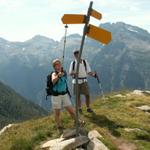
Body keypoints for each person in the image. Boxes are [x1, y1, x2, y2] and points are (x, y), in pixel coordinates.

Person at [51, 59, 76, 132]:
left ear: (61, 65)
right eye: (56, 65)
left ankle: (77, 121)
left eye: (59, 64)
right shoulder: (53, 74)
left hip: (64, 94)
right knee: (57, 112)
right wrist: (58, 76)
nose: (58, 66)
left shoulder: (64, 72)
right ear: (54, 67)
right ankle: (59, 127)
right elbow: (53, 81)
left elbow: (67, 75)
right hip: (56, 96)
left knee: (71, 110)